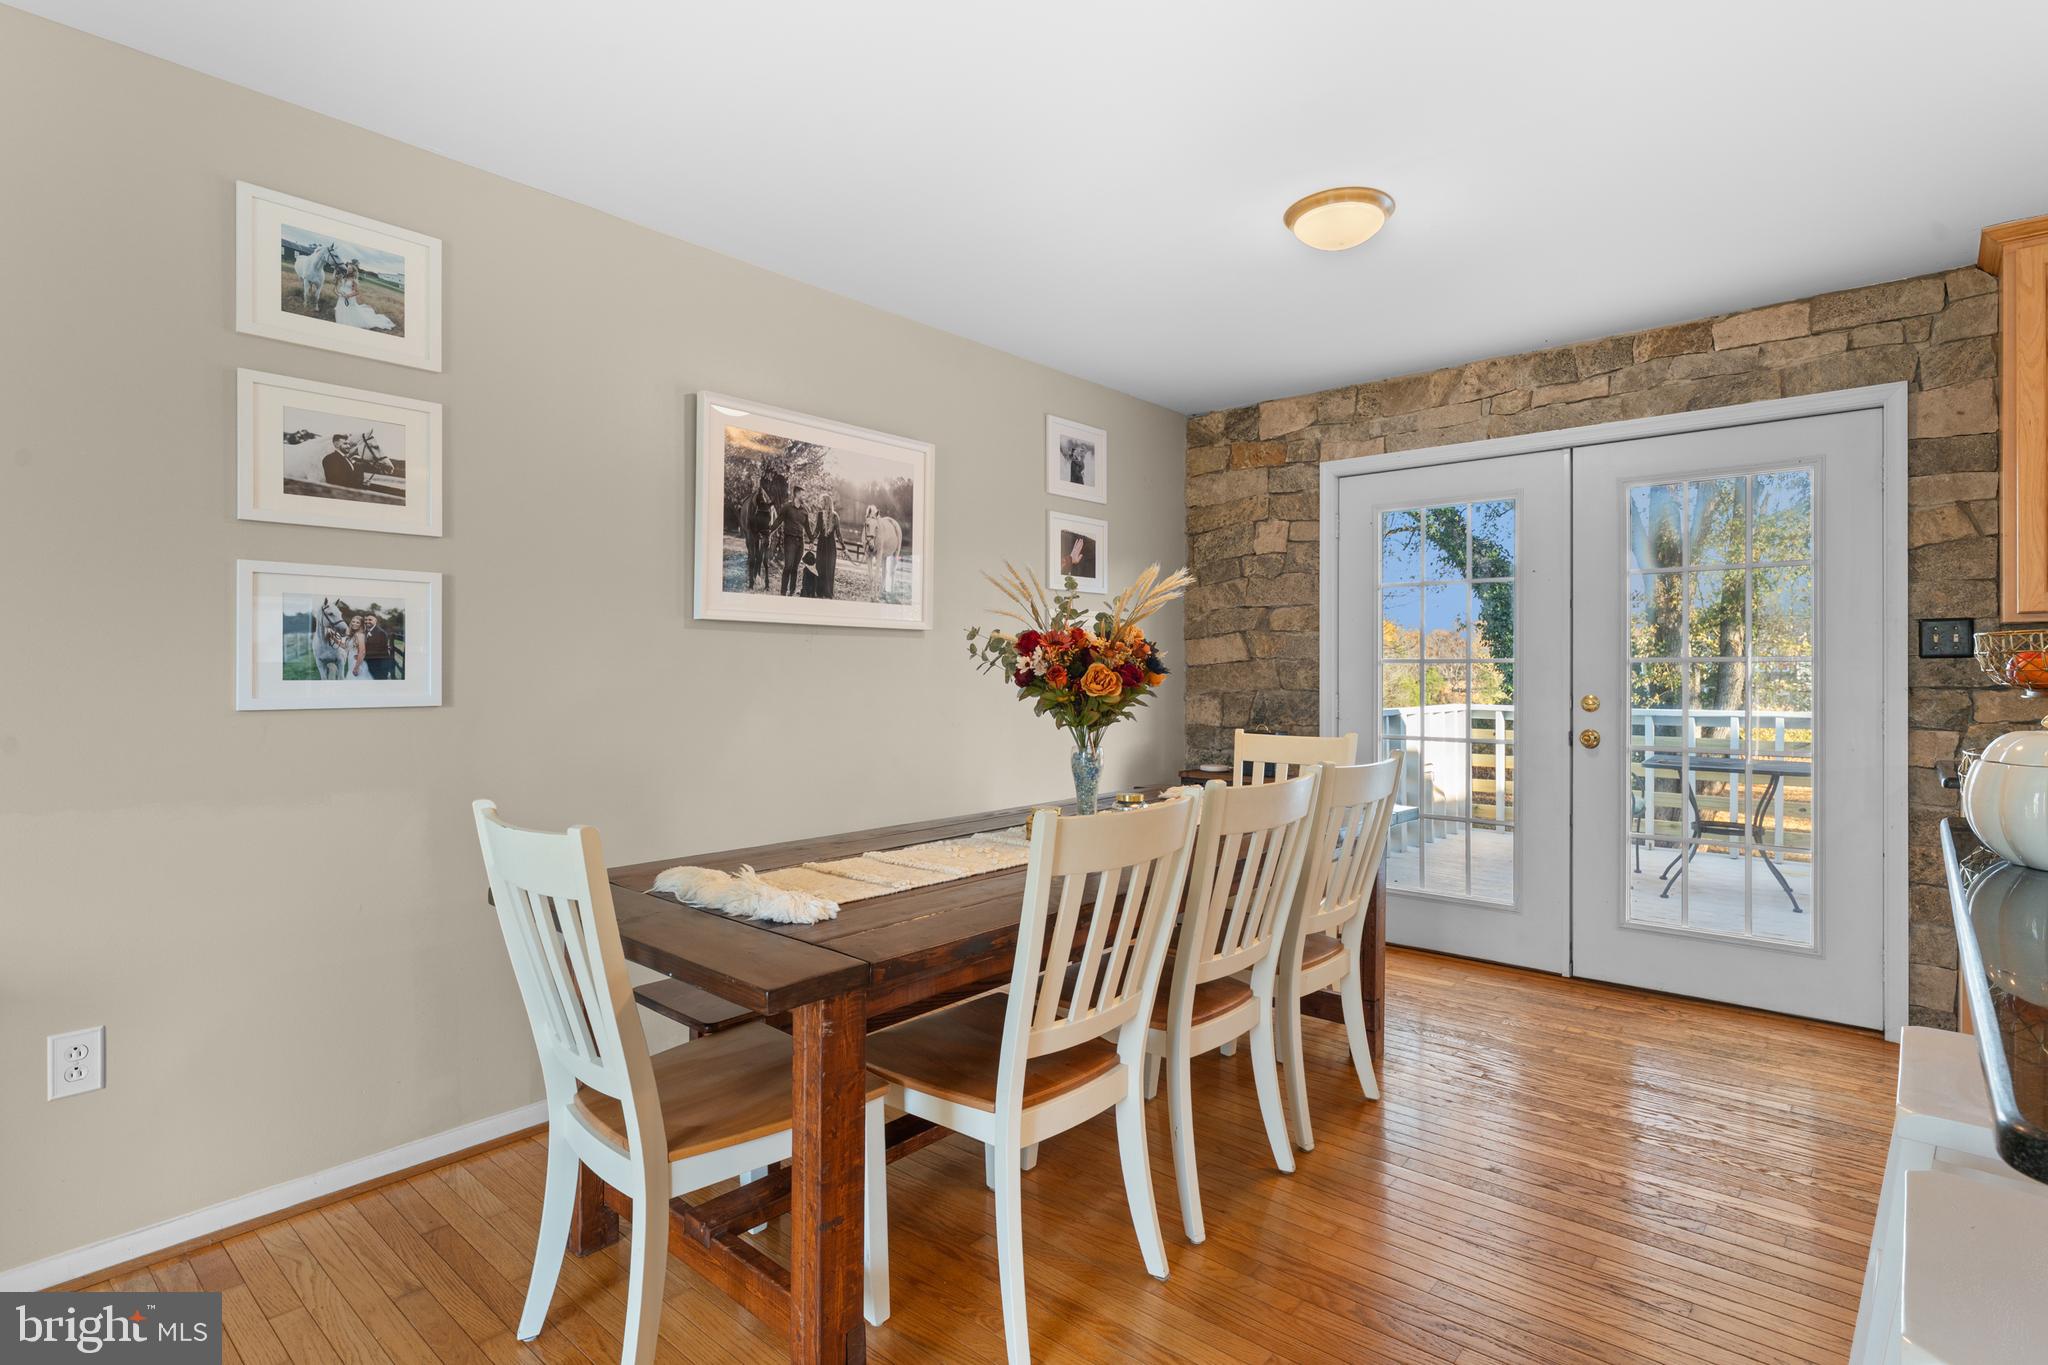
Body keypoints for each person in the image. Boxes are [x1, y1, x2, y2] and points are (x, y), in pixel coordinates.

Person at [333, 262, 397, 331]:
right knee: (341, 307)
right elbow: (336, 280)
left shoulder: (354, 280)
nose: (348, 269)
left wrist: (348, 295)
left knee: (349, 309)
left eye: (349, 268)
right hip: (342, 296)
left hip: (349, 297)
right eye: (347, 268)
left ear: (353, 271)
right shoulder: (344, 276)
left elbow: (357, 292)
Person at [812, 498, 845, 598]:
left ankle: (828, 592)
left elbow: (838, 534)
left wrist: (843, 547)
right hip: (821, 545)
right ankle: (819, 592)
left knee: (830, 569)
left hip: (831, 546)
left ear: (826, 502)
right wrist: (811, 540)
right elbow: (817, 530)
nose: (820, 502)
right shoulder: (819, 514)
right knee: (820, 567)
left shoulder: (835, 516)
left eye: (822, 501)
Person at [777, 490, 806, 595]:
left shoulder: (804, 510)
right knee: (788, 566)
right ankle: (783, 592)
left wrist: (811, 540)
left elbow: (807, 527)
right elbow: (778, 521)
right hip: (789, 540)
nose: (804, 497)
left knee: (795, 567)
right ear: (797, 494)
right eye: (803, 495)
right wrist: (770, 532)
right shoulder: (787, 507)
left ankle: (792, 591)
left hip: (800, 541)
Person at [360, 611, 396, 681]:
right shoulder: (366, 631)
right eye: (366, 620)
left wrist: (361, 655)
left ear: (375, 620)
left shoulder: (381, 633)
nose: (367, 621)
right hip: (370, 664)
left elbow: (378, 651)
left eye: (370, 620)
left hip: (379, 666)